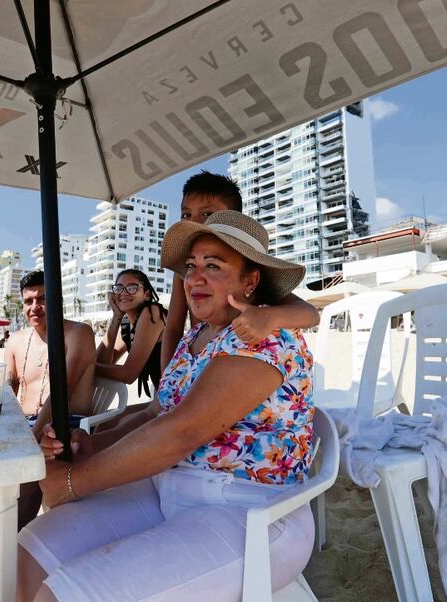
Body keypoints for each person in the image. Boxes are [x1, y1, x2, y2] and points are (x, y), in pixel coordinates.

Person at [20, 210, 316, 601]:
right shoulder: (197, 337)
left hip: (251, 512)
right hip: (167, 490)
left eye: (213, 265)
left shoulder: (267, 338)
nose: (195, 277)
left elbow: (182, 431)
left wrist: (74, 482)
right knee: (25, 558)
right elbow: (154, 412)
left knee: (67, 596)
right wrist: (96, 444)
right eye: (192, 266)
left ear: (250, 280)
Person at [161, 171, 319, 372]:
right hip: (194, 362)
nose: (194, 222)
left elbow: (310, 313)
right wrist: (166, 378)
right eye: (186, 215)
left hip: (235, 359)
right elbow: (173, 328)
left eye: (207, 214)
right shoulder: (187, 273)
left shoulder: (245, 274)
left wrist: (270, 317)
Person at [4, 270, 96, 527]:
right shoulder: (15, 340)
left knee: (34, 464)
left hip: (65, 424)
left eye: (43, 299)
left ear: (58, 300)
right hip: (25, 424)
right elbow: (7, 390)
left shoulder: (78, 333)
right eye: (28, 301)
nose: (35, 307)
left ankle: (14, 536)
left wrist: (30, 440)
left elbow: (61, 392)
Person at [95, 268, 166, 397]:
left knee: (115, 418)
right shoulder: (128, 325)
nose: (124, 293)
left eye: (132, 287)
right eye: (119, 288)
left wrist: (86, 366)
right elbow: (102, 362)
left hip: (183, 396)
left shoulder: (152, 313)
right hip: (164, 397)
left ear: (147, 294)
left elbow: (128, 374)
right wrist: (116, 317)